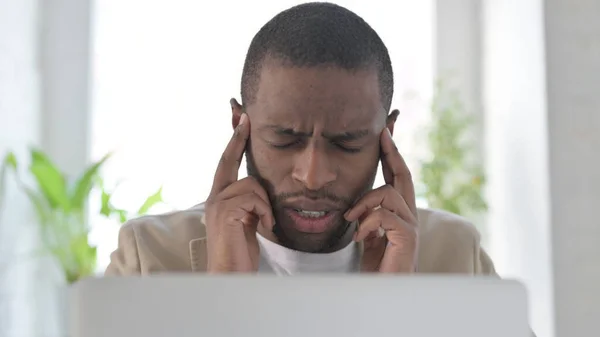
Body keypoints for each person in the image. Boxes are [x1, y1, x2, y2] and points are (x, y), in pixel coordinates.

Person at [105, 2, 497, 276]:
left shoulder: (456, 254)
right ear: (240, 127)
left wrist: (395, 314)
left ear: (386, 138)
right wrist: (222, 298)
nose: (313, 176)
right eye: (284, 140)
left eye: (347, 143)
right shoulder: (148, 257)